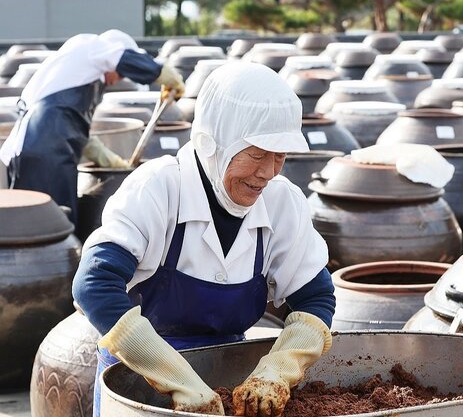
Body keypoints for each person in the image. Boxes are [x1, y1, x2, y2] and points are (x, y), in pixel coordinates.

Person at [72, 62, 335, 417]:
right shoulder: (159, 188)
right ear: (211, 143)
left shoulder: (281, 202)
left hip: (228, 372)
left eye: (281, 156)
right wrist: (176, 376)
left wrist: (279, 369)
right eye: (257, 154)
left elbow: (315, 297)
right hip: (138, 382)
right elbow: (93, 284)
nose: (268, 172)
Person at [0, 29, 185, 225]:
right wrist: (164, 74)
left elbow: (74, 130)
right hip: (43, 152)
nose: (122, 78)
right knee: (46, 224)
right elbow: (122, 58)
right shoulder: (89, 47)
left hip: (46, 151)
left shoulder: (83, 78)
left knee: (52, 220)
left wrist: (109, 160)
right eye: (122, 72)